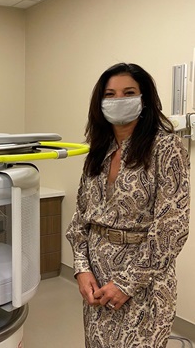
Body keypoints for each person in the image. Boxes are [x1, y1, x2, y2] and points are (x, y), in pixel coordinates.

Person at [66, 63, 190, 348]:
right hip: (97, 278)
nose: (118, 101)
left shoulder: (166, 149)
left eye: (128, 93)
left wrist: (127, 283)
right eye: (109, 95)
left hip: (145, 281)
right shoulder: (97, 152)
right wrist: (82, 269)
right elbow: (80, 219)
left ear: (144, 100)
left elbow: (172, 226)